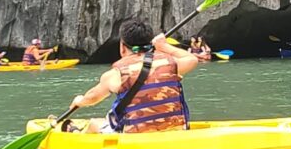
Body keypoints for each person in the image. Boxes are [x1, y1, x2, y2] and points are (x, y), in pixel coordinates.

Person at [58, 19, 202, 133]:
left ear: (122, 47)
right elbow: (192, 59)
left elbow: (91, 98)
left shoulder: (116, 74)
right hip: (176, 130)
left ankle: (76, 133)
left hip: (135, 136)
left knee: (94, 124)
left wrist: (79, 101)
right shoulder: (170, 64)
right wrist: (164, 46)